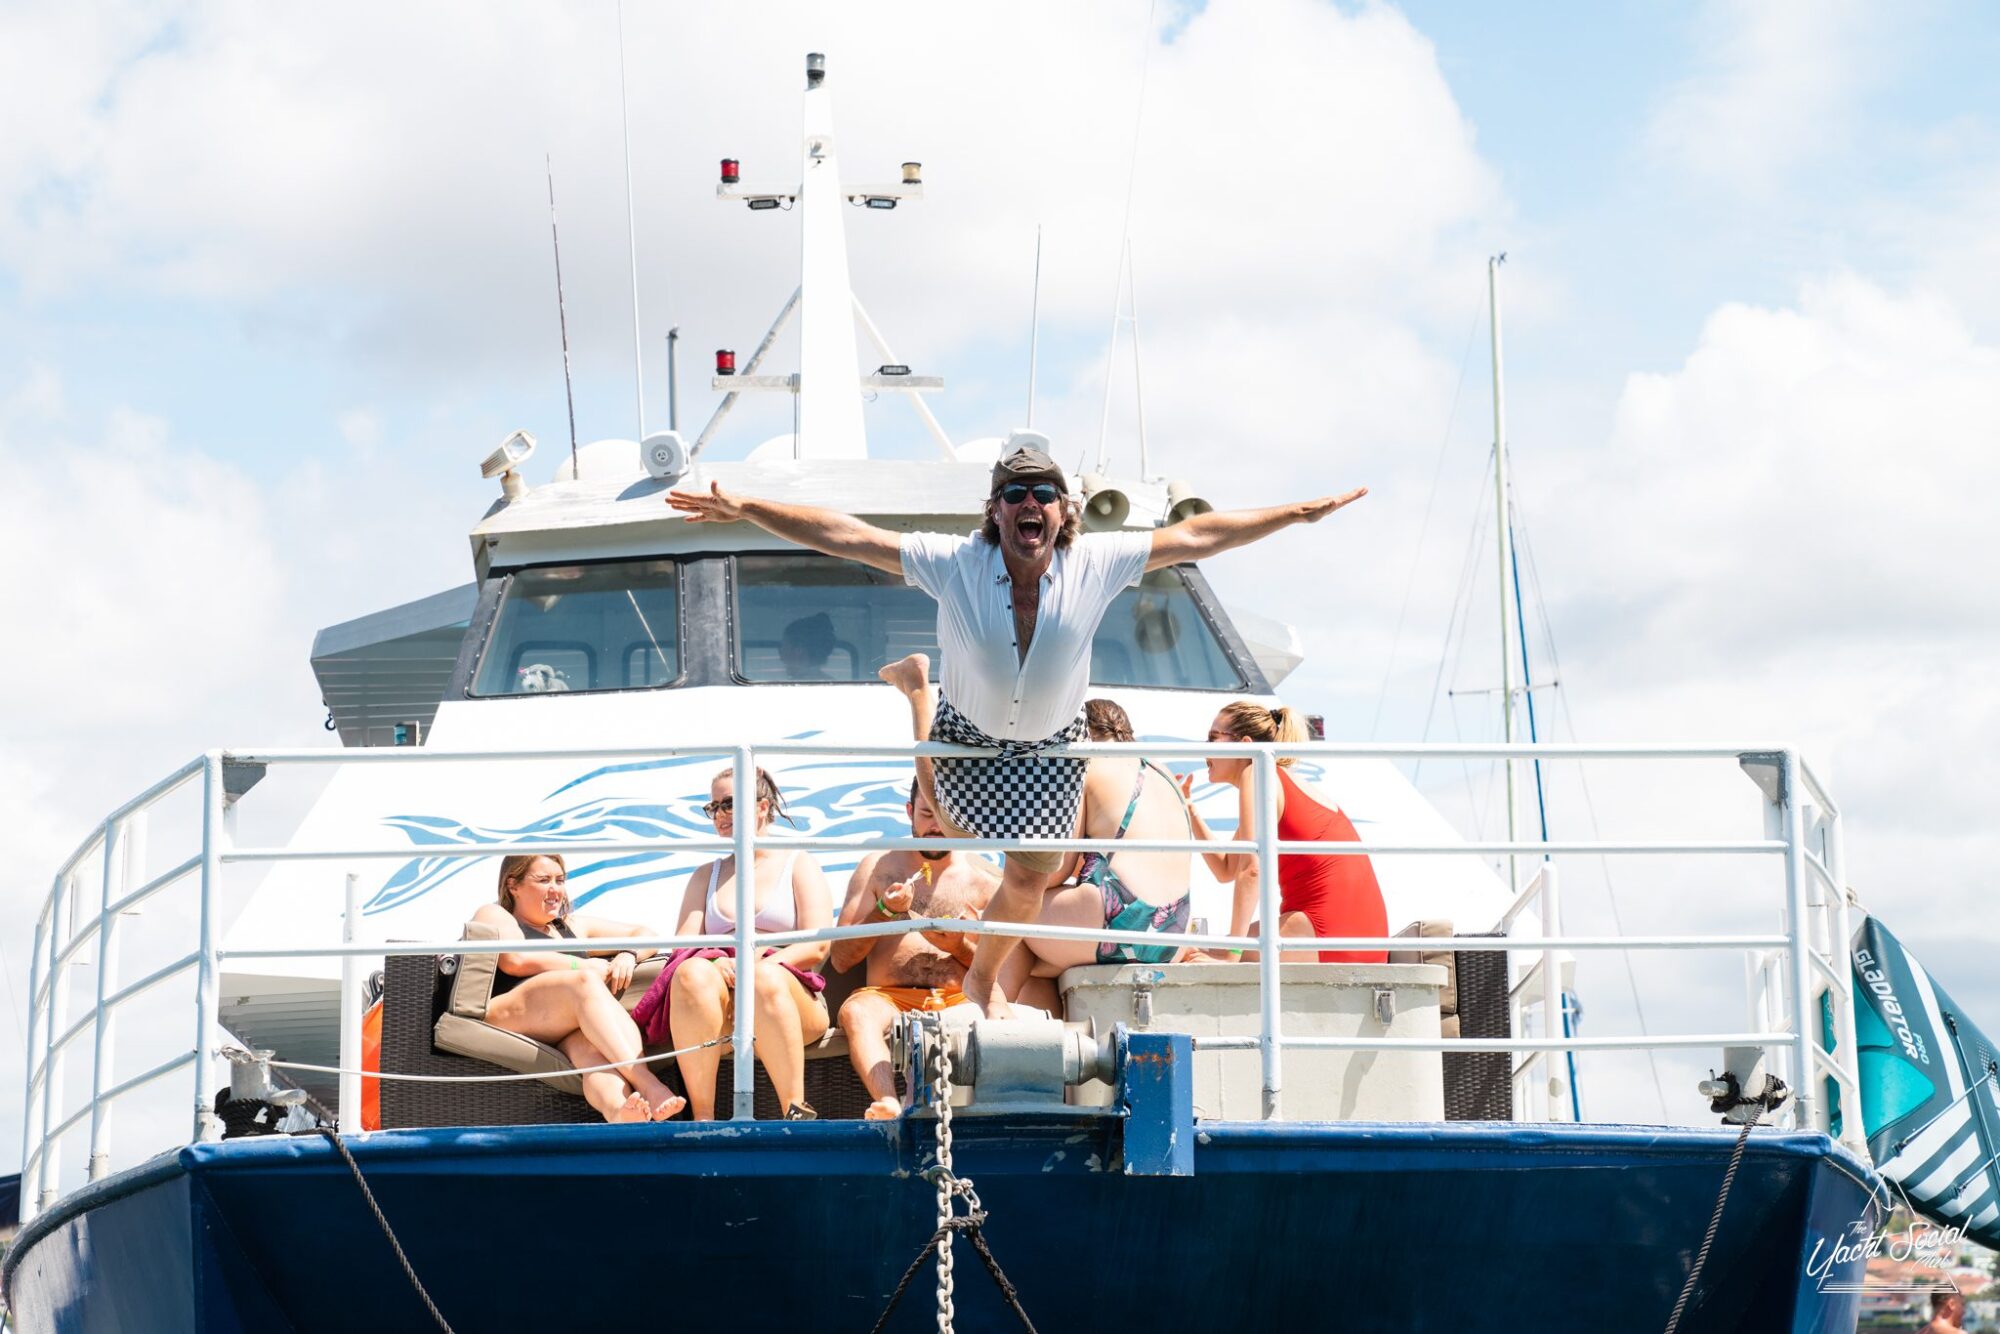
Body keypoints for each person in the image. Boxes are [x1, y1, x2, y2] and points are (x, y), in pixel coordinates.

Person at [668, 434, 1364, 1016]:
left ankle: (979, 977)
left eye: (1043, 494)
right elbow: (847, 536)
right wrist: (745, 506)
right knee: (948, 830)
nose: (1030, 503)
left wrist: (1298, 513)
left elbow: (1197, 535)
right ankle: (919, 702)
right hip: (969, 740)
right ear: (995, 513)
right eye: (1014, 494)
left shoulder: (1096, 563)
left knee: (1027, 881)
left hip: (1050, 748)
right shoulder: (954, 564)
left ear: (1064, 513)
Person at [646, 766, 834, 1120]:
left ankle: (795, 1114)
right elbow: (681, 949)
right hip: (722, 1006)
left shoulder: (798, 864)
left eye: (729, 804)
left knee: (762, 980)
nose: (720, 814)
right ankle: (703, 1121)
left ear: (762, 807)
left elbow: (817, 946)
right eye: (713, 807)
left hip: (787, 997)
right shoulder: (706, 875)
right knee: (691, 973)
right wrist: (718, 963)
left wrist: (754, 967)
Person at [470, 854, 687, 1123]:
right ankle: (649, 1085)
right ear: (513, 885)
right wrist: (578, 965)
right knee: (584, 983)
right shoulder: (495, 914)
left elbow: (646, 934)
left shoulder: (572, 926)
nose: (555, 889)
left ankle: (621, 1112)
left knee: (592, 1052)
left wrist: (629, 954)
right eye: (543, 880)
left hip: (562, 1024)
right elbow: (515, 960)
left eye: (560, 880)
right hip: (509, 1014)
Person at [830, 780, 1002, 1120]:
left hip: (960, 997)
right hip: (887, 997)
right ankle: (887, 1103)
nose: (936, 826)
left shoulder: (986, 880)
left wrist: (959, 947)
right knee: (856, 1014)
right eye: (926, 813)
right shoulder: (878, 867)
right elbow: (840, 959)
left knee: (999, 1016)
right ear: (910, 813)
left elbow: (997, 974)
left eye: (947, 816)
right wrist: (884, 912)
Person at [1184, 700, 1388, 963]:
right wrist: (1191, 809)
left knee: (1193, 954)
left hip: (1328, 929)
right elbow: (1226, 869)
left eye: (1213, 738)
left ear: (1245, 745)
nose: (1205, 749)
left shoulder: (1256, 772)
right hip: (1359, 935)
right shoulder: (1272, 779)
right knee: (1202, 952)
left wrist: (1230, 957)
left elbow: (1251, 870)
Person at [779, 611, 837, 680]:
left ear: (798, 650)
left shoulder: (790, 687)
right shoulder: (832, 684)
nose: (781, 658)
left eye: (784, 649)